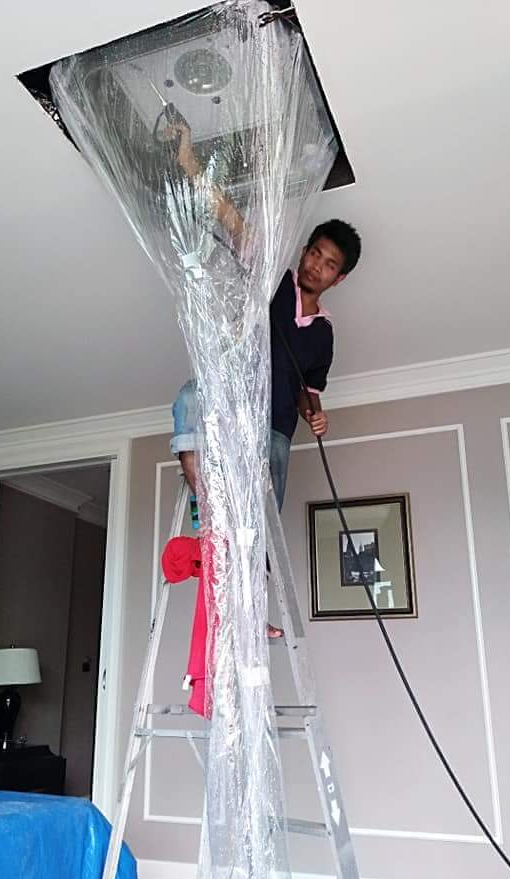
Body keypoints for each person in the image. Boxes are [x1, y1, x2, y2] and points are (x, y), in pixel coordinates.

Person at [168, 126, 361, 633]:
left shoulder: (324, 335)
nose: (317, 265)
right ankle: (211, 511)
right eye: (315, 253)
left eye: (329, 264)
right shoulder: (273, 277)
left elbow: (308, 392)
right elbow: (231, 220)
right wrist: (189, 161)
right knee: (189, 399)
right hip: (234, 400)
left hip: (274, 429)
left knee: (259, 524)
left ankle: (250, 613)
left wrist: (316, 416)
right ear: (304, 252)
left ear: (339, 278)